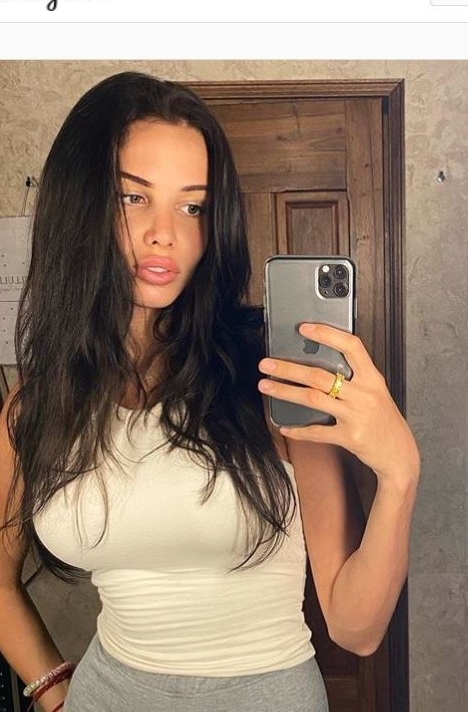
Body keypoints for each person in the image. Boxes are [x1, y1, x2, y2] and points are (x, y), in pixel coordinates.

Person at [0, 72, 420, 711]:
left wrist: (400, 475)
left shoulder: (273, 376)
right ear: (78, 205)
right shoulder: (40, 404)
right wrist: (53, 691)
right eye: (133, 197)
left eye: (192, 206)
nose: (165, 232)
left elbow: (355, 628)